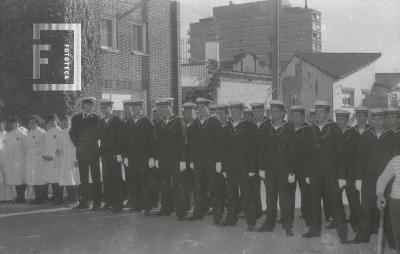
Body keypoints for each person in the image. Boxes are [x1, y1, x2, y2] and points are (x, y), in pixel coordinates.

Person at [303, 100, 348, 244]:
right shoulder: (310, 130)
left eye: (321, 112)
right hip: (315, 174)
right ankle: (314, 230)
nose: (318, 115)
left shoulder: (334, 129)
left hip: (332, 174)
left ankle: (343, 235)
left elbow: (342, 155)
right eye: (316, 112)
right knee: (314, 202)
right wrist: (308, 174)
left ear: (327, 113)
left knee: (336, 203)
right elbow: (307, 154)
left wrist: (342, 176)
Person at [352, 108, 398, 245]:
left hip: (387, 181)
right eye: (375, 119)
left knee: (388, 210)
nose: (377, 123)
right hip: (368, 180)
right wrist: (358, 178)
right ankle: (363, 235)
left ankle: (391, 239)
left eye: (380, 119)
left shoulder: (393, 137)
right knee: (366, 208)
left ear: (385, 120)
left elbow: (396, 160)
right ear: (371, 120)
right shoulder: (365, 136)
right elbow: (359, 158)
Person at [257, 100, 296, 236]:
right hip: (269, 169)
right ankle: (269, 223)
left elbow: (293, 152)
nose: (273, 115)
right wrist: (261, 168)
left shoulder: (288, 128)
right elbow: (261, 149)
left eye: (276, 112)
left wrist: (292, 171)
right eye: (271, 112)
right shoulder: (265, 127)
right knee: (270, 198)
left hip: (283, 170)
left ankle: (287, 225)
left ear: (283, 113)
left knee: (284, 198)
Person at [219, 101, 258, 231]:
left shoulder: (249, 127)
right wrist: (224, 168)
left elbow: (253, 149)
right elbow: (223, 150)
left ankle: (251, 221)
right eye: (232, 111)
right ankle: (231, 218)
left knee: (247, 194)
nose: (234, 114)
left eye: (236, 111)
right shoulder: (226, 128)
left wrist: (252, 168)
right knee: (231, 194)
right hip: (230, 167)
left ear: (242, 112)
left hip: (244, 167)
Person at [189, 98, 223, 223]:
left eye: (203, 108)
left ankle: (217, 215)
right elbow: (191, 143)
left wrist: (219, 161)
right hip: (198, 161)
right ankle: (198, 212)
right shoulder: (195, 123)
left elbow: (219, 143)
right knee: (198, 188)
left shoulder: (214, 122)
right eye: (199, 108)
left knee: (213, 188)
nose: (201, 110)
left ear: (208, 108)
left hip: (211, 161)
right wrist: (192, 160)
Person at [154, 98, 187, 219]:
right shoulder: (159, 123)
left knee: (178, 185)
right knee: (164, 184)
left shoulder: (178, 121)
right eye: (159, 108)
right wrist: (157, 158)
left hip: (175, 159)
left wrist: (183, 160)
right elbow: (157, 142)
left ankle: (180, 210)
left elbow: (183, 142)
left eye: (163, 107)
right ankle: (166, 208)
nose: (161, 110)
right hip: (163, 159)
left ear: (170, 107)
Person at [69, 97, 102, 210]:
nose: (89, 107)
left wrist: (90, 141)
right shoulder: (76, 118)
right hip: (82, 152)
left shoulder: (96, 118)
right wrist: (78, 144)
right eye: (87, 105)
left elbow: (99, 133)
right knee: (83, 178)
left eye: (91, 106)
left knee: (96, 177)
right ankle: (84, 202)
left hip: (93, 152)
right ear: (83, 106)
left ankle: (97, 203)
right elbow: (72, 133)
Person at [123, 99, 154, 214]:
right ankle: (136, 205)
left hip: (143, 158)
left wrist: (151, 157)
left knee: (144, 182)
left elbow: (151, 141)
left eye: (137, 108)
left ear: (141, 109)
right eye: (133, 108)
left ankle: (147, 206)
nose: (135, 110)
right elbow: (125, 141)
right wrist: (125, 156)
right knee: (133, 182)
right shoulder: (129, 122)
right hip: (132, 158)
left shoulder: (146, 122)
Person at [335, 109, 361, 232]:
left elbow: (358, 155)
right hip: (336, 172)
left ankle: (355, 222)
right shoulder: (333, 132)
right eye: (337, 119)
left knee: (353, 199)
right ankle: (338, 221)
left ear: (347, 120)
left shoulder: (354, 133)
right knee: (336, 199)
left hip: (350, 172)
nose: (339, 121)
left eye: (342, 119)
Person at [98, 99, 124, 213]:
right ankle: (108, 203)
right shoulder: (102, 121)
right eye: (102, 108)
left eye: (106, 108)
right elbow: (100, 137)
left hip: (114, 154)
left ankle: (118, 205)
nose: (104, 110)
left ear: (111, 108)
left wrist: (119, 153)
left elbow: (120, 137)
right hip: (105, 155)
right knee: (107, 180)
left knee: (116, 180)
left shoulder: (117, 120)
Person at [290, 105, 312, 229]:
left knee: (306, 193)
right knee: (289, 193)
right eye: (293, 115)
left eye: (297, 115)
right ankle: (288, 217)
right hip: (290, 168)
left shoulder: (308, 130)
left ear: (303, 117)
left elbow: (309, 152)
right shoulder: (288, 129)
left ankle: (308, 217)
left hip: (303, 168)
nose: (294, 118)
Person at [376, 155, 400, 254]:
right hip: (396, 202)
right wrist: (380, 194)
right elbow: (383, 178)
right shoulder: (396, 160)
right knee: (398, 235)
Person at [251, 102, 270, 219]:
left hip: (267, 162)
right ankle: (257, 211)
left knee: (269, 188)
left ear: (263, 111)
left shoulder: (269, 124)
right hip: (254, 161)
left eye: (259, 111)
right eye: (254, 112)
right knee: (254, 187)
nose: (257, 114)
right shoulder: (250, 125)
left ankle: (269, 211)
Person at [24, 115, 47, 204]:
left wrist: (37, 152)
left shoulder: (42, 133)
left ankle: (40, 198)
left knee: (40, 178)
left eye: (33, 122)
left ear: (37, 123)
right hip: (31, 159)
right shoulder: (29, 133)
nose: (31, 124)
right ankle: (37, 198)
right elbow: (27, 147)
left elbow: (44, 146)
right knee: (34, 179)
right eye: (30, 122)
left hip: (39, 159)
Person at [3, 116, 26, 203]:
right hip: (12, 160)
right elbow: (6, 148)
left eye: (16, 123)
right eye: (13, 123)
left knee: (21, 178)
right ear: (11, 124)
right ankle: (18, 197)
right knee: (15, 179)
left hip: (20, 159)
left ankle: (22, 197)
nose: (14, 124)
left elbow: (25, 147)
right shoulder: (8, 135)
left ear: (19, 124)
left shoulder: (23, 134)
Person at [58, 115, 80, 204]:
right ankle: (70, 196)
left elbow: (77, 146)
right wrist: (59, 151)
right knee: (66, 177)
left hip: (72, 157)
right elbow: (61, 146)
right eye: (62, 121)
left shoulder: (73, 131)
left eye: (66, 121)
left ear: (69, 122)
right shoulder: (61, 132)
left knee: (74, 177)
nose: (64, 123)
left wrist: (76, 159)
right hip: (65, 158)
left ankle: (75, 198)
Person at [43, 114, 63, 205]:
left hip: (57, 159)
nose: (51, 122)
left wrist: (54, 157)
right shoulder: (48, 132)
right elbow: (45, 146)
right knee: (51, 178)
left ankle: (59, 198)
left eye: (53, 120)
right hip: (48, 159)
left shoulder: (60, 132)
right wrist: (45, 155)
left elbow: (60, 147)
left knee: (58, 178)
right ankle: (55, 196)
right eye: (50, 121)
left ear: (57, 121)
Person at [182, 102, 197, 216]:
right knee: (186, 183)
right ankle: (187, 205)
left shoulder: (197, 125)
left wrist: (192, 160)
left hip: (194, 160)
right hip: (185, 159)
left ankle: (198, 207)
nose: (187, 114)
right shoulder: (183, 124)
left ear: (194, 113)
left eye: (190, 112)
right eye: (185, 112)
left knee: (196, 184)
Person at [0, 118, 14, 202]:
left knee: (8, 179)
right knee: (0, 180)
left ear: (4, 126)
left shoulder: (8, 135)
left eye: (1, 125)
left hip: (7, 159)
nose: (0, 127)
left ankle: (9, 197)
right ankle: (1, 197)